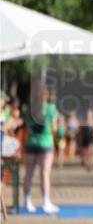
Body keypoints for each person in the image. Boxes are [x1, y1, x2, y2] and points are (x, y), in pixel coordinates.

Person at [22, 85, 60, 214]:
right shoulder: (51, 108)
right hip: (45, 143)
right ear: (46, 95)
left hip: (31, 142)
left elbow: (27, 126)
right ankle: (46, 201)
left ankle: (27, 200)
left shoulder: (29, 108)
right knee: (45, 173)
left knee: (29, 174)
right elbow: (54, 128)